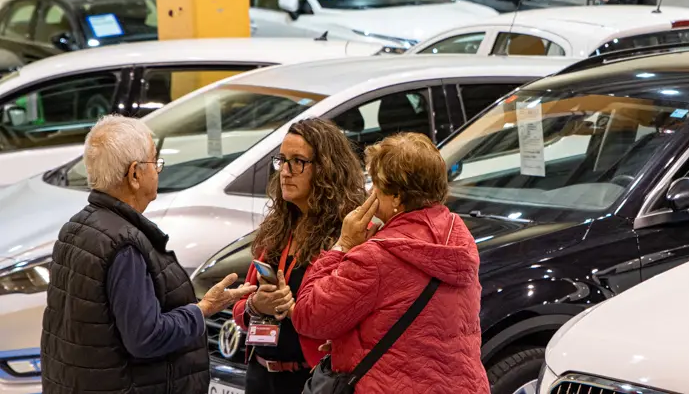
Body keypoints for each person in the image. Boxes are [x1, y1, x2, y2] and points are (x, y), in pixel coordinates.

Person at [40, 115, 255, 394]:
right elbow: (146, 337)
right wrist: (202, 311)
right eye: (155, 163)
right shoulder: (123, 245)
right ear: (134, 174)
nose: (158, 171)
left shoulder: (76, 227)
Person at [291, 132, 490, 394]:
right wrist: (350, 342)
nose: (370, 193)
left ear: (396, 196)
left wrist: (344, 245)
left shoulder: (375, 257)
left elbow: (308, 317)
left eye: (375, 185)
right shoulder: (458, 239)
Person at [232, 118, 367, 394]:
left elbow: (345, 316)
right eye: (282, 160)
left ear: (326, 169)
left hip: (311, 379)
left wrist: (295, 311)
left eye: (297, 161)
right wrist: (257, 306)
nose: (285, 171)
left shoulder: (347, 234)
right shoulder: (278, 228)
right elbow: (240, 309)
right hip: (260, 375)